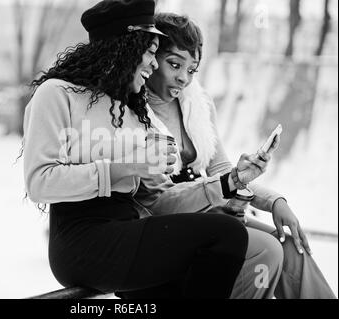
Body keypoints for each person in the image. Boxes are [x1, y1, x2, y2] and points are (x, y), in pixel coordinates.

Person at [22, 0, 252, 298]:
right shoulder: (56, 94)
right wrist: (128, 165)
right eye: (149, 51)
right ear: (124, 48)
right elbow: (39, 183)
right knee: (226, 235)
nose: (154, 64)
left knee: (203, 255)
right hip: (82, 241)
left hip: (130, 232)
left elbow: (157, 198)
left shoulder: (131, 109)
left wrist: (223, 186)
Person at [134, 12, 336, 299]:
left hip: (207, 208)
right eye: (174, 64)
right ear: (152, 59)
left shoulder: (196, 106)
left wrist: (274, 200)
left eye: (192, 70)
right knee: (266, 251)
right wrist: (229, 185)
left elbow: (222, 170)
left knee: (292, 247)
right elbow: (158, 202)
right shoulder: (134, 113)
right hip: (167, 222)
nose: (183, 78)